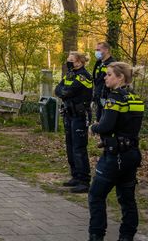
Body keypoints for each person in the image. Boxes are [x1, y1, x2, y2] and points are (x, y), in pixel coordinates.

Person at [88, 62, 144, 241]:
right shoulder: (136, 98)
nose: (105, 77)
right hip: (131, 155)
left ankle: (96, 236)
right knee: (127, 200)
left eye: (109, 74)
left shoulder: (114, 98)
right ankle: (126, 237)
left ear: (120, 77)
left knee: (96, 196)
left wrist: (94, 127)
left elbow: (106, 125)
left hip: (115, 157)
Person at [54, 51, 93, 193]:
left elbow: (67, 92)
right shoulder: (69, 74)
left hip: (79, 116)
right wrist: (62, 91)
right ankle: (75, 176)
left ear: (79, 62)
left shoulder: (84, 76)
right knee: (70, 147)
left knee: (79, 148)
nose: (68, 62)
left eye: (70, 60)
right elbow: (57, 90)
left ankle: (84, 180)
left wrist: (63, 92)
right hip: (69, 115)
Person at [92, 41, 116, 122]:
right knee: (99, 120)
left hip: (107, 97)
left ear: (106, 50)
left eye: (98, 50)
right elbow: (96, 80)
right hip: (99, 97)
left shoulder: (112, 64)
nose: (96, 52)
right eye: (96, 50)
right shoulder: (99, 63)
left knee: (105, 121)